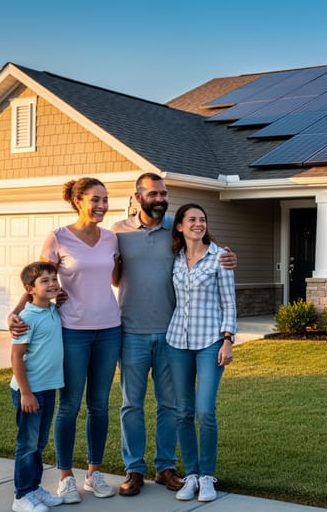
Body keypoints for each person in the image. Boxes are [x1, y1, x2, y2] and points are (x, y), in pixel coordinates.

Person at [110, 173, 237, 497]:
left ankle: (166, 466)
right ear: (138, 196)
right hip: (132, 331)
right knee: (131, 405)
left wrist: (228, 257)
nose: (160, 198)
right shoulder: (119, 232)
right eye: (154, 193)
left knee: (171, 406)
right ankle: (134, 469)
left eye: (164, 193)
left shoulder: (175, 229)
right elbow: (109, 274)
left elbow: (209, 253)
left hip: (171, 334)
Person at [9, 177, 121, 503]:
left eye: (105, 199)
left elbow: (114, 277)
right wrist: (16, 312)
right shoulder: (58, 238)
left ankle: (94, 472)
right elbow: (38, 280)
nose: (102, 205)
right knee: (69, 406)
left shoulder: (112, 238)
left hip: (110, 329)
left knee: (99, 405)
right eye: (95, 199)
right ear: (78, 201)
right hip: (72, 330)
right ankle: (66, 477)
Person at [166, 203, 236, 503]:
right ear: (180, 226)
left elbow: (229, 302)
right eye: (192, 219)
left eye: (202, 219)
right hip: (177, 342)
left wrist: (228, 340)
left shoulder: (220, 257)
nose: (198, 224)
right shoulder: (176, 259)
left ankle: (207, 475)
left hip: (210, 341)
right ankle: (191, 474)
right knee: (183, 412)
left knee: (205, 411)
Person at [9, 261, 64, 512]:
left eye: (54, 278)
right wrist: (26, 393)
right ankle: (21, 496)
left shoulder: (52, 310)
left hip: (48, 388)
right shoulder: (27, 318)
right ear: (30, 289)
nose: (52, 283)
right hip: (30, 391)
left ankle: (34, 488)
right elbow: (16, 358)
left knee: (39, 443)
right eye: (45, 281)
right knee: (28, 444)